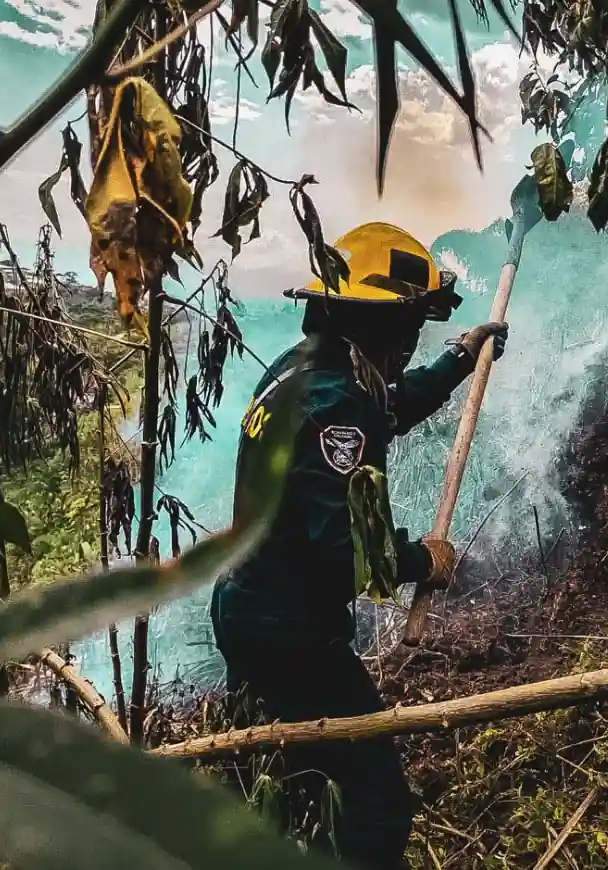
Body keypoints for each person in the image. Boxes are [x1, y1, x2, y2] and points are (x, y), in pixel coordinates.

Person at [210, 222, 508, 869]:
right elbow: (344, 557)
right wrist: (420, 560)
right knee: (377, 802)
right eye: (412, 326)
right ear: (380, 325)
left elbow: (389, 408)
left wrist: (459, 358)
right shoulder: (337, 402)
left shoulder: (309, 370)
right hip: (287, 634)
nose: (412, 341)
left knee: (311, 780)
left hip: (248, 610)